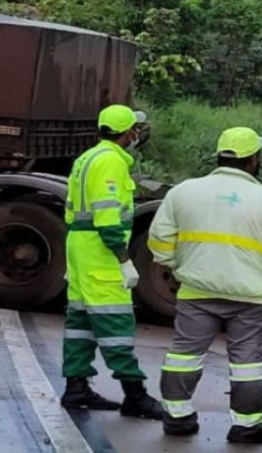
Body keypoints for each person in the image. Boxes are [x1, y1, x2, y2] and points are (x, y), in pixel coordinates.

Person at [148, 127, 262, 444]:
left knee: (183, 355)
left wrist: (180, 268)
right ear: (254, 159)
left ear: (219, 155)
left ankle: (177, 418)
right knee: (247, 363)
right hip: (255, 299)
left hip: (197, 291)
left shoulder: (183, 192)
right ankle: (247, 426)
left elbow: (159, 244)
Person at [61, 104, 163, 419]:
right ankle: (135, 394)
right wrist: (123, 259)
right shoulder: (111, 163)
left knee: (80, 320)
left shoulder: (88, 157)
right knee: (114, 321)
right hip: (99, 251)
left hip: (80, 246)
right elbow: (107, 219)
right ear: (127, 133)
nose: (138, 134)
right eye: (135, 128)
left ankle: (76, 387)